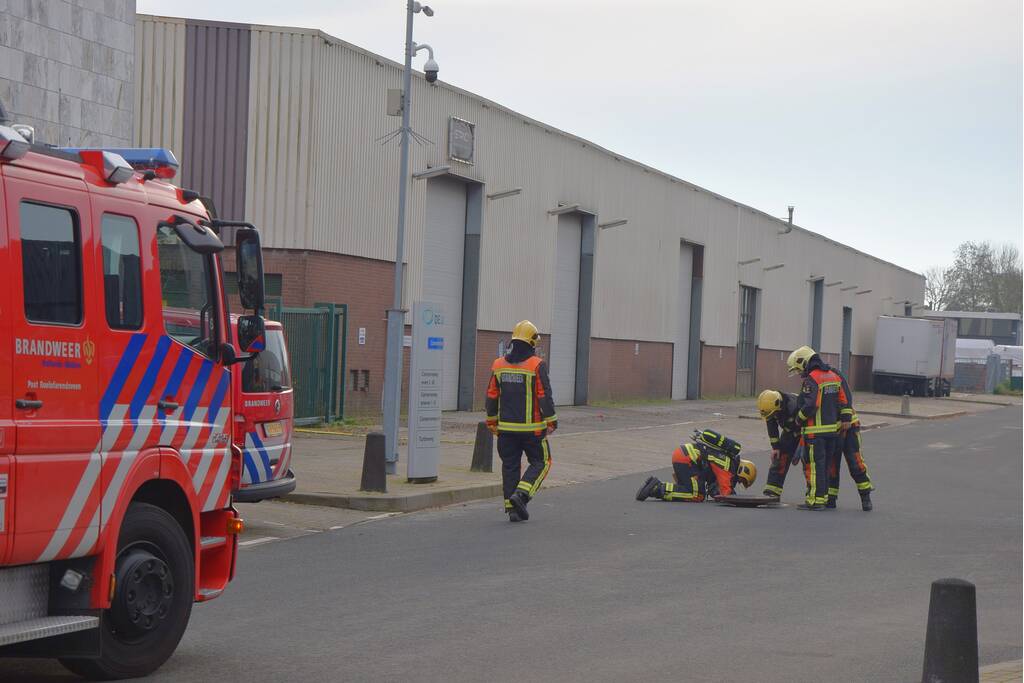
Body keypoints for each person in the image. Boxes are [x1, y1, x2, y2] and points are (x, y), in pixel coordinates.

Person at [484, 320, 557, 522]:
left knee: (510, 467)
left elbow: (491, 395)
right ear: (531, 343)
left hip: (506, 431)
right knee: (542, 462)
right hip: (532, 431)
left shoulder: (498, 365)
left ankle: (513, 510)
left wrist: (491, 422)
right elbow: (544, 395)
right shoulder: (537, 365)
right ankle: (522, 495)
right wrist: (552, 421)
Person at [786, 346, 851, 511]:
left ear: (804, 362)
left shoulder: (812, 379)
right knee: (825, 466)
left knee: (815, 467)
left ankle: (815, 500)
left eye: (799, 369)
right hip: (832, 432)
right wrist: (845, 418)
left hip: (815, 433)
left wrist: (798, 419)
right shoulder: (833, 376)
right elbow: (844, 400)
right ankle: (824, 497)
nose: (800, 373)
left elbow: (811, 405)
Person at [635, 428, 757, 503]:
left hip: (685, 456)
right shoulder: (727, 465)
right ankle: (657, 488)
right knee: (696, 495)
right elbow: (726, 493)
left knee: (693, 491)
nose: (738, 482)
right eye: (741, 480)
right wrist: (738, 500)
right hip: (687, 458)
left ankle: (656, 486)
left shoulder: (727, 461)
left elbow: (714, 487)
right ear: (743, 471)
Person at [827, 367, 875, 511]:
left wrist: (846, 418)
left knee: (855, 463)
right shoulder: (813, 379)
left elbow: (847, 397)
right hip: (832, 429)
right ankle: (831, 498)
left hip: (849, 426)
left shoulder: (834, 375)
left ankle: (865, 496)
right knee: (832, 465)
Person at [757, 389, 804, 499]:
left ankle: (815, 494)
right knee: (780, 458)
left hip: (805, 432)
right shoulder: (771, 408)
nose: (773, 416)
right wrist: (775, 447)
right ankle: (772, 491)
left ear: (779, 404)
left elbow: (806, 421)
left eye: (774, 414)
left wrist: (801, 445)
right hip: (789, 432)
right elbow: (772, 427)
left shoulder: (794, 405)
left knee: (808, 461)